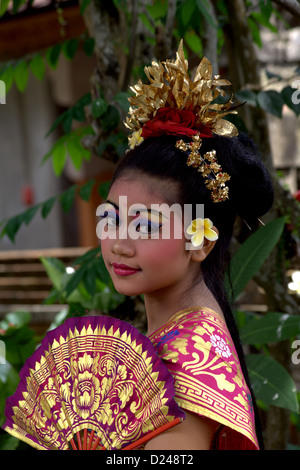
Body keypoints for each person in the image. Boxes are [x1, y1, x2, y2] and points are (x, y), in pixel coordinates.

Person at [98, 41, 274, 450]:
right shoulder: (186, 332)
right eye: (111, 218)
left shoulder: (188, 362)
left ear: (201, 240)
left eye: (144, 225)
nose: (118, 245)